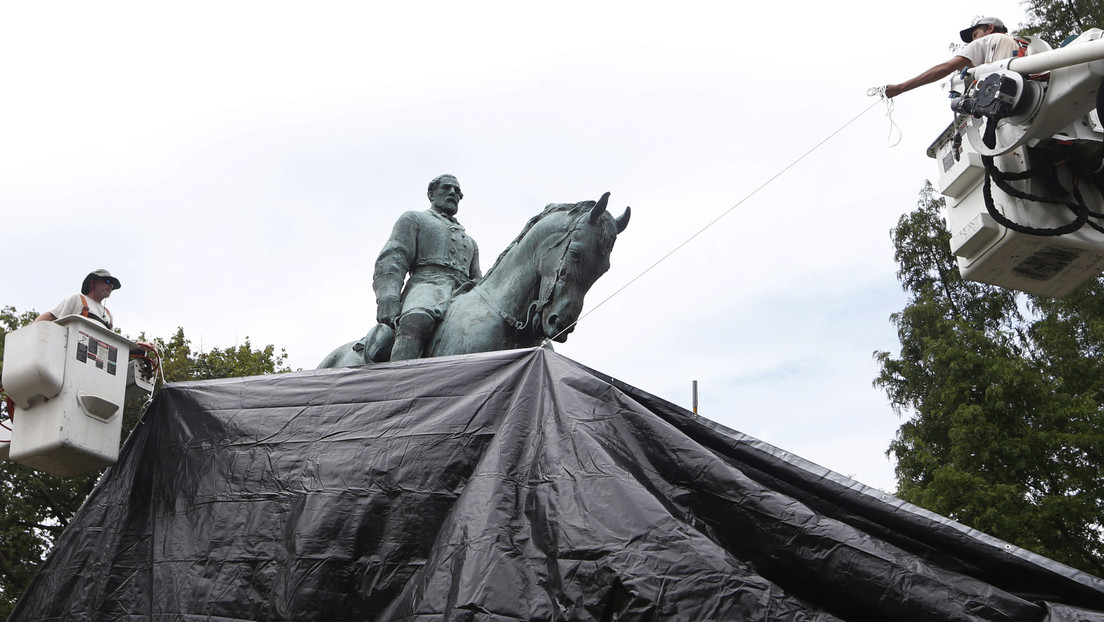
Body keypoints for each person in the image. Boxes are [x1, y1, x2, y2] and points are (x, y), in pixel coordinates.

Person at [373, 174, 481, 360]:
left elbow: (477, 279)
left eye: (457, 191)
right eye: (446, 188)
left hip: (464, 294)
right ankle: (397, 382)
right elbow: (393, 258)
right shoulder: (414, 219)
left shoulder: (470, 242)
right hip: (426, 286)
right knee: (415, 321)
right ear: (431, 194)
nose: (453, 193)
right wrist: (388, 297)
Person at [886, 17, 1021, 98]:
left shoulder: (988, 40)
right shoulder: (1020, 45)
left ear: (990, 28)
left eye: (975, 34)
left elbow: (946, 68)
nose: (973, 41)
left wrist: (901, 88)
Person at [34, 269, 121, 330]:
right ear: (93, 283)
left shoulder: (109, 315)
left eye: (112, 284)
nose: (111, 286)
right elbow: (50, 316)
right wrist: (27, 335)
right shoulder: (77, 299)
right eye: (108, 281)